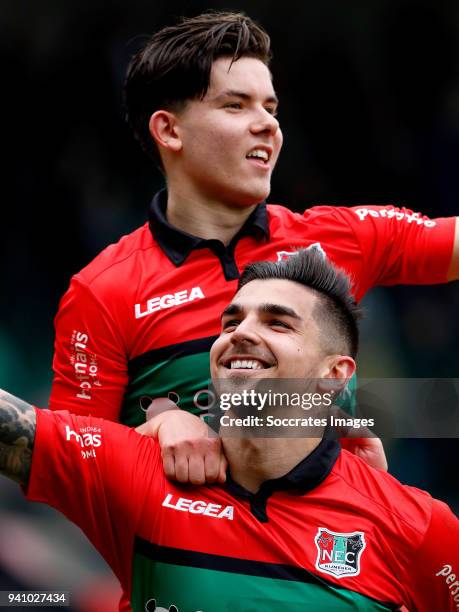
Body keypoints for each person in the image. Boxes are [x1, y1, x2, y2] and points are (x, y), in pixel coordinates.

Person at [49, 11, 459, 483]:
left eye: (271, 107)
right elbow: (69, 465)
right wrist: (154, 431)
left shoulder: (336, 238)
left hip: (341, 550)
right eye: (236, 106)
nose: (267, 125)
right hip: (198, 556)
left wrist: (346, 423)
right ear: (169, 131)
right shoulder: (103, 290)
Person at [1, 250, 458, 611]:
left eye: (277, 322)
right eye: (232, 321)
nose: (239, 334)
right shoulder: (143, 468)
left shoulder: (417, 527)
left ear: (335, 374)